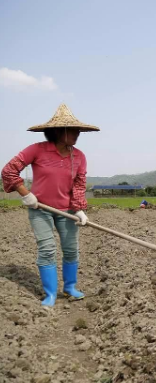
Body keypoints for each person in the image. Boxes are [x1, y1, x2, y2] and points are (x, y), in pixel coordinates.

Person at [1, 104, 99, 307]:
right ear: (58, 131)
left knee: (71, 249)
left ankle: (70, 287)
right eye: (72, 130)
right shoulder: (37, 150)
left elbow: (79, 184)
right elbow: (9, 171)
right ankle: (50, 294)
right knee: (47, 249)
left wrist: (79, 208)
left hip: (67, 210)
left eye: (78, 130)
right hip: (40, 209)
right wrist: (26, 194)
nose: (77, 134)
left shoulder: (79, 156)